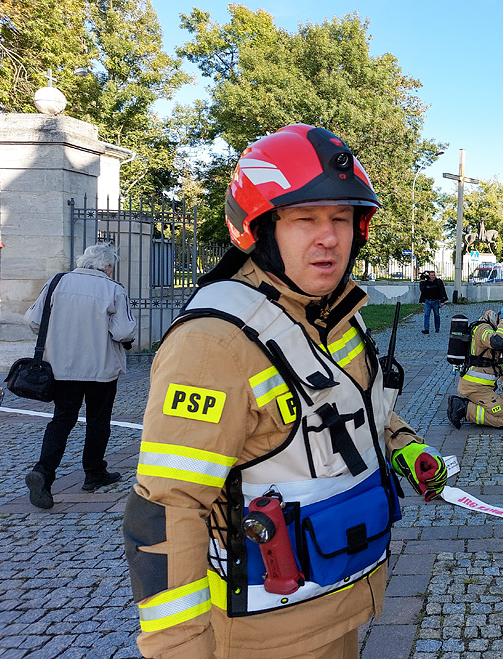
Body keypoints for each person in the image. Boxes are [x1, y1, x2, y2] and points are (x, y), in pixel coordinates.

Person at [122, 124, 448, 659]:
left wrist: (406, 445)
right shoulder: (214, 344)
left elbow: (357, 410)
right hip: (265, 635)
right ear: (260, 230)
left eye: (341, 219)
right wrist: (181, 648)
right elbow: (167, 508)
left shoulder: (334, 316)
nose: (329, 237)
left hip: (341, 603)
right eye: (304, 219)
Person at [23, 242, 136, 509]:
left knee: (61, 420)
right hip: (101, 367)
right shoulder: (113, 289)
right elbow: (123, 332)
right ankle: (94, 472)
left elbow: (33, 320)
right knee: (98, 420)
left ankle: (43, 472)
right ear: (107, 266)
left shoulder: (56, 283)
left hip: (62, 366)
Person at [447, 307, 503, 430]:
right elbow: (498, 341)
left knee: (501, 410)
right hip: (476, 388)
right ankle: (464, 409)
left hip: (481, 388)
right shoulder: (483, 329)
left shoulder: (486, 328)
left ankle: (469, 406)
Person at [418, 269, 448, 334]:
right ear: (429, 276)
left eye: (434, 275)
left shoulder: (438, 282)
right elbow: (422, 290)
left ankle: (437, 328)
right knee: (426, 315)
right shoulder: (426, 282)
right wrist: (422, 281)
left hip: (436, 301)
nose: (433, 276)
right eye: (431, 275)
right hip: (428, 301)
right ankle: (426, 329)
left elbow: (442, 291)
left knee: (436, 315)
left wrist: (442, 300)